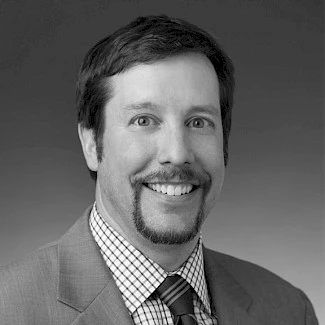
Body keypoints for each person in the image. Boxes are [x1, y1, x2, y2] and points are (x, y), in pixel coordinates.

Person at [0, 15, 318, 325]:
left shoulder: (289, 309)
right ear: (92, 145)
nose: (177, 154)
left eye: (199, 122)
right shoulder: (8, 308)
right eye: (144, 120)